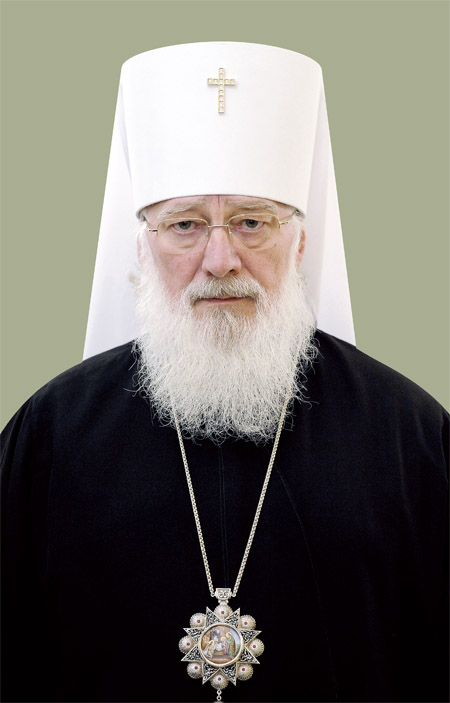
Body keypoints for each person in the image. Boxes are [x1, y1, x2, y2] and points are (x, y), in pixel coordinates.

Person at [1, 42, 448, 703]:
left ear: (300, 242)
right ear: (143, 247)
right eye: (185, 225)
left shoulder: (410, 435)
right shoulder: (52, 433)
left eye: (250, 222)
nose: (219, 259)